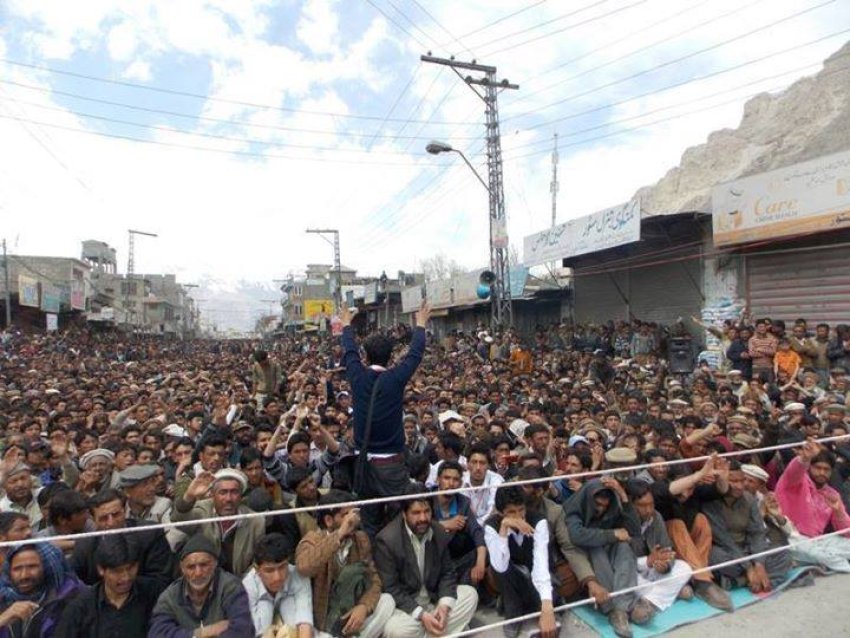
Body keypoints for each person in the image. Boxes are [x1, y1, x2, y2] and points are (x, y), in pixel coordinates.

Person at [341, 301, 430, 536]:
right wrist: (420, 324)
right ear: (391, 357)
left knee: (369, 522)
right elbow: (415, 355)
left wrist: (346, 326)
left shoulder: (357, 376)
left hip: (363, 464)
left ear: (365, 356)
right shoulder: (396, 378)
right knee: (402, 519)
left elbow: (348, 350)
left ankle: (374, 562)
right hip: (391, 465)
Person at [374, 487, 478, 638]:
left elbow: (447, 573)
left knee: (470, 595)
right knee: (395, 631)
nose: (423, 518)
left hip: (433, 601)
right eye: (416, 513)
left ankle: (433, 631)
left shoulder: (438, 531)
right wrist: (421, 615)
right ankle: (443, 631)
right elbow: (391, 588)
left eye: (427, 511)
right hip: (406, 609)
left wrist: (444, 605)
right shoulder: (387, 540)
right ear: (404, 514)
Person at [295, 491, 395, 638]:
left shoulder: (361, 539)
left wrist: (363, 607)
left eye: (354, 513)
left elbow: (374, 580)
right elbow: (304, 567)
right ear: (329, 520)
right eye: (345, 515)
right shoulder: (312, 540)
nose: (353, 519)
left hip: (353, 612)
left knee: (387, 601)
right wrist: (339, 534)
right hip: (324, 622)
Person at [563, 477, 652, 638]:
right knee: (596, 549)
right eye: (597, 504)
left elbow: (633, 531)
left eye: (604, 506)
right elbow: (577, 536)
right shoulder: (574, 508)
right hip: (584, 562)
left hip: (609, 552)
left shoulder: (611, 509)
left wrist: (622, 495)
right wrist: (612, 534)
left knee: (624, 546)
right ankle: (613, 608)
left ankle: (622, 608)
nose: (601, 510)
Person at [702, 462, 790, 592]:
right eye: (733, 481)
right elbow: (724, 540)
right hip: (726, 550)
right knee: (715, 558)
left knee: (784, 554)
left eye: (742, 480)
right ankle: (754, 578)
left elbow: (757, 532)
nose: (739, 486)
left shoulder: (749, 499)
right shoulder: (710, 503)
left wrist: (759, 564)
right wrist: (749, 567)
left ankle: (739, 581)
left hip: (746, 547)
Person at [484, 485, 557, 638]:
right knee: (502, 569)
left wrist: (547, 606)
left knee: (547, 603)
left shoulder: (538, 522)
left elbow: (541, 564)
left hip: (534, 572)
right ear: (500, 512)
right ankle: (513, 613)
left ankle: (543, 602)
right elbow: (499, 566)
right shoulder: (491, 526)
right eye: (511, 512)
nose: (518, 516)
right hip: (510, 575)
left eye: (521, 510)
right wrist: (504, 528)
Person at [54, 536, 162, 638]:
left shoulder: (154, 594)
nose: (126, 577)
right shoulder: (80, 608)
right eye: (117, 571)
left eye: (130, 568)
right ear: (101, 570)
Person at [149, 534, 254, 637]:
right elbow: (157, 633)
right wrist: (200, 633)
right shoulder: (171, 595)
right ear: (182, 568)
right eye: (191, 567)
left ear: (215, 563)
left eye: (204, 565)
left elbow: (243, 630)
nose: (198, 573)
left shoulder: (231, 587)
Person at [70, 489, 174, 590]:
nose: (111, 523)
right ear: (93, 520)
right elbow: (73, 580)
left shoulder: (150, 533)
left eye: (116, 515)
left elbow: (161, 579)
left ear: (124, 511)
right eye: (103, 518)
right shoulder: (85, 545)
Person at [171, 469, 264, 577]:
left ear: (241, 496)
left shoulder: (256, 521)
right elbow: (178, 520)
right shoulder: (202, 510)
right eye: (223, 492)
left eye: (234, 492)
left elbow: (257, 562)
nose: (229, 499)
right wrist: (189, 496)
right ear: (213, 495)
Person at [776, 440, 850, 571]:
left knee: (834, 552)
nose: (821, 472)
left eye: (826, 469)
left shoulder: (831, 494)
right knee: (826, 557)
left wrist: (838, 512)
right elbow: (794, 471)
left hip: (819, 540)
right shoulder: (795, 482)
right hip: (792, 539)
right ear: (809, 467)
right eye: (818, 468)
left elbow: (846, 531)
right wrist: (804, 458)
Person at [625, 480, 694, 611]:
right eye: (642, 505)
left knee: (685, 568)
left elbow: (667, 550)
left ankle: (649, 602)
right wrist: (647, 561)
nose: (649, 510)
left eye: (651, 504)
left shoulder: (656, 517)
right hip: (633, 572)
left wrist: (665, 566)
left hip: (653, 572)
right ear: (630, 505)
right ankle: (670, 593)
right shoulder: (622, 522)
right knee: (629, 580)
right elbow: (621, 563)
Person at [0, 542, 84, 638]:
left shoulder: (74, 597)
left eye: (32, 567)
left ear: (48, 567)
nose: (24, 575)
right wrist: (3, 618)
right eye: (17, 569)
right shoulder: (4, 598)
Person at [431, 461, 487, 587]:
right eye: (446, 478)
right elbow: (416, 525)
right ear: (438, 479)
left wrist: (480, 562)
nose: (451, 484)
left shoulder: (463, 502)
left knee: (482, 550)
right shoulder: (427, 498)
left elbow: (476, 531)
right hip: (431, 558)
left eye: (455, 479)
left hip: (454, 557)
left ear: (460, 483)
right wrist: (443, 524)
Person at [461, 443, 504, 526]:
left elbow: (493, 511)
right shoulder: (461, 480)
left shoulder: (496, 480)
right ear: (467, 464)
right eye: (474, 462)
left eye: (482, 463)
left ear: (488, 465)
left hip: (488, 527)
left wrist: (477, 526)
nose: (478, 467)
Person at [0, 463, 42, 527]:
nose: (20, 484)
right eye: (14, 481)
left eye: (23, 478)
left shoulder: (44, 495)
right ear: (4, 486)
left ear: (31, 479)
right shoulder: (2, 508)